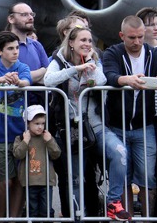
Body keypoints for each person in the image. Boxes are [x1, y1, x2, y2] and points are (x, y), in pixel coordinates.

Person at [44, 26, 131, 221]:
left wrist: (89, 65)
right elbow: (48, 80)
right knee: (75, 177)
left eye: (89, 41)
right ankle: (77, 216)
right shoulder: (59, 59)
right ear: (72, 43)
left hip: (96, 125)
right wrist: (75, 69)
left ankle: (113, 202)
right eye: (82, 40)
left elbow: (100, 80)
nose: (87, 44)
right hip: (69, 129)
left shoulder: (94, 60)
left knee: (120, 153)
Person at [103, 15, 157, 217]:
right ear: (121, 35)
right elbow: (108, 75)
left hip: (146, 125)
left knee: (147, 177)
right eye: (132, 38)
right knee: (122, 177)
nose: (137, 42)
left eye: (140, 37)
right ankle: (127, 218)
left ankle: (148, 219)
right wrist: (127, 80)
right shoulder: (113, 52)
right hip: (117, 126)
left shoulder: (154, 53)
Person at [0, 31, 30, 218]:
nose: (15, 52)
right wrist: (1, 79)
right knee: (5, 180)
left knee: (19, 181)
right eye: (10, 49)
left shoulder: (22, 66)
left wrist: (19, 81)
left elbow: (27, 80)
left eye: (16, 48)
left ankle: (14, 218)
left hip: (20, 134)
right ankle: (1, 218)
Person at [12, 104, 61, 220]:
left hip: (46, 180)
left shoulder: (47, 137)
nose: (40, 127)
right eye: (36, 124)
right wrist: (26, 141)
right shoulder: (21, 138)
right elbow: (18, 154)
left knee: (46, 210)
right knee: (32, 210)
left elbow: (56, 154)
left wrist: (49, 141)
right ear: (28, 123)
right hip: (29, 181)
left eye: (42, 123)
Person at [6, 2, 49, 103]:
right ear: (11, 19)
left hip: (38, 101)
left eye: (31, 14)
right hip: (16, 103)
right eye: (24, 15)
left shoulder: (37, 45)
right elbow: (13, 78)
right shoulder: (4, 46)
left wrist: (25, 78)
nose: (30, 18)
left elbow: (48, 74)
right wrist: (42, 71)